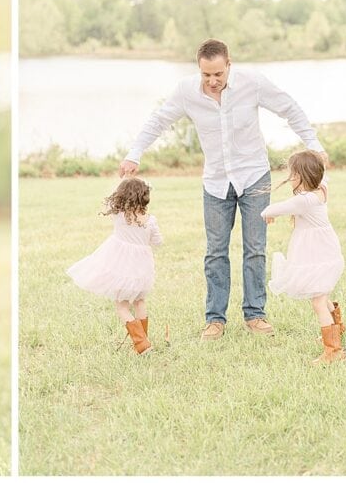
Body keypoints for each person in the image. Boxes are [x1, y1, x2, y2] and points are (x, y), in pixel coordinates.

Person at [119, 38, 327, 341]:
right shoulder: (186, 92)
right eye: (206, 75)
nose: (213, 81)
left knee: (255, 248)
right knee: (215, 252)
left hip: (254, 175)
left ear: (228, 65)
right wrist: (134, 153)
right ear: (199, 69)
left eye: (218, 74)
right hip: (216, 181)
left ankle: (255, 314)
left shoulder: (252, 83)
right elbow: (159, 120)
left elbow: (289, 108)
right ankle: (215, 319)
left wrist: (314, 144)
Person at [261, 150, 346, 364]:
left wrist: (267, 214)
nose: (290, 178)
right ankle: (337, 330)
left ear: (300, 176)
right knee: (322, 296)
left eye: (292, 174)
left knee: (318, 302)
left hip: (320, 255)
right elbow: (323, 173)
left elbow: (275, 208)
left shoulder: (305, 200)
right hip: (324, 253)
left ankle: (333, 351)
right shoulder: (321, 188)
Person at [66, 177, 163, 355]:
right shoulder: (151, 220)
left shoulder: (118, 216)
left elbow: (111, 204)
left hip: (121, 268)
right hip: (142, 269)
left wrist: (123, 181)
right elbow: (157, 242)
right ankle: (143, 341)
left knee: (122, 306)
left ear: (123, 196)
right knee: (140, 301)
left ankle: (141, 344)